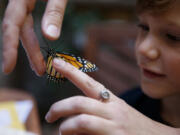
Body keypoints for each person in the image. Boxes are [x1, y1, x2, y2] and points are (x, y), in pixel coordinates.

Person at [2, 0, 180, 135]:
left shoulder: (130, 117)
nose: (143, 48)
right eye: (144, 27)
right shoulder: (130, 106)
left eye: (173, 37)